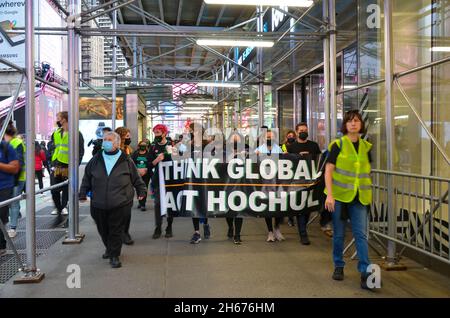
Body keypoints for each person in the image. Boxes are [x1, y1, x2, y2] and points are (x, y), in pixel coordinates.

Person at [79, 132, 146, 268]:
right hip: (98, 203)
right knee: (103, 229)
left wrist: (141, 191)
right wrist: (82, 193)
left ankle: (114, 255)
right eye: (105, 140)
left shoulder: (126, 160)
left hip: (120, 202)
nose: (106, 142)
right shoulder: (96, 159)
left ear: (116, 143)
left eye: (109, 140)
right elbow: (87, 177)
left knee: (116, 230)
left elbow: (136, 179)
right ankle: (109, 248)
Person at [324, 110, 375, 290]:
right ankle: (338, 265)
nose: (353, 124)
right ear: (345, 125)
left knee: (361, 234)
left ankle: (366, 271)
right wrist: (329, 195)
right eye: (350, 121)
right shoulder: (337, 145)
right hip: (338, 197)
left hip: (359, 197)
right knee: (339, 234)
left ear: (361, 124)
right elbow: (328, 171)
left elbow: (366, 172)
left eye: (356, 121)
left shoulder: (367, 147)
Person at [287, 122, 322, 245]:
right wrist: (297, 156)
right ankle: (303, 234)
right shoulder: (291, 147)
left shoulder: (314, 145)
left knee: (307, 208)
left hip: (311, 181)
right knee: (301, 207)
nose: (303, 132)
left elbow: (319, 160)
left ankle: (303, 228)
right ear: (296, 132)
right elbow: (288, 163)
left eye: (305, 130)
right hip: (297, 181)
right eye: (301, 130)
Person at [50, 111, 85, 219]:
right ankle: (58, 207)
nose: (57, 119)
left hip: (68, 164)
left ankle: (64, 206)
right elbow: (53, 146)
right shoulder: (56, 132)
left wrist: (76, 164)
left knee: (66, 187)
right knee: (54, 188)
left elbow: (80, 150)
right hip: (56, 163)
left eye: (58, 117)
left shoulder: (76, 133)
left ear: (64, 119)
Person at [255, 127, 284, 242]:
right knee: (267, 206)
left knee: (279, 206)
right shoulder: (259, 149)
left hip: (277, 182)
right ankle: (270, 232)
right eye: (267, 137)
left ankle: (277, 228)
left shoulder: (279, 150)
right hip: (265, 182)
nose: (269, 138)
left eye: (271, 137)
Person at [148, 124, 174, 239]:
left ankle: (169, 227)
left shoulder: (171, 145)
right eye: (155, 133)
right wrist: (157, 160)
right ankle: (158, 227)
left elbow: (178, 160)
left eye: (158, 133)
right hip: (158, 180)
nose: (156, 135)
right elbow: (149, 164)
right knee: (158, 204)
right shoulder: (153, 147)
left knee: (170, 204)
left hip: (171, 180)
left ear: (164, 133)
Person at [187, 122, 211, 244]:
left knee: (204, 203)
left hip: (205, 179)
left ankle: (206, 223)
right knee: (194, 205)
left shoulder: (208, 145)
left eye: (193, 131)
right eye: (190, 131)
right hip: (192, 179)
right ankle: (196, 232)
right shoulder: (188, 145)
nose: (191, 133)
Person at [224, 131, 248, 244]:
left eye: (237, 139)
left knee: (239, 210)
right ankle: (230, 226)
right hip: (227, 185)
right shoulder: (224, 153)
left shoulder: (246, 153)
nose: (235, 141)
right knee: (228, 210)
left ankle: (237, 234)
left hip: (240, 186)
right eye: (233, 139)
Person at [4, 123, 25, 239]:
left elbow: (19, 163)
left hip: (16, 178)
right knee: (9, 203)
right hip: (7, 179)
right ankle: (14, 217)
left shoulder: (17, 143)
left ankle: (12, 227)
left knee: (13, 203)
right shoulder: (5, 143)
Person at [0, 137, 19, 255]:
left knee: (1, 216)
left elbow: (14, 168)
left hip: (4, 187)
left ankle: (1, 246)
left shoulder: (6, 147)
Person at [115, 127, 134, 245]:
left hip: (128, 185)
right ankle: (119, 234)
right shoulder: (116, 151)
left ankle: (125, 232)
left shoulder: (128, 150)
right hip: (117, 186)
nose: (129, 138)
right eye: (127, 136)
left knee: (127, 212)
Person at [281, 130, 297, 227]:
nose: (291, 137)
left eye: (292, 136)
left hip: (294, 172)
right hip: (285, 173)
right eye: (289, 136)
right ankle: (283, 215)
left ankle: (291, 217)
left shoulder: (296, 146)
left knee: (292, 195)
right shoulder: (283, 146)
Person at [131, 140, 153, 211]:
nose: (143, 146)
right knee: (138, 188)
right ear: (139, 146)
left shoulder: (149, 154)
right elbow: (132, 163)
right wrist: (137, 170)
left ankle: (143, 204)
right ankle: (140, 202)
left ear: (146, 146)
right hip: (137, 174)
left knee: (144, 187)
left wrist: (146, 169)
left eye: (144, 145)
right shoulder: (135, 154)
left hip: (146, 174)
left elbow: (151, 163)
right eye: (141, 145)